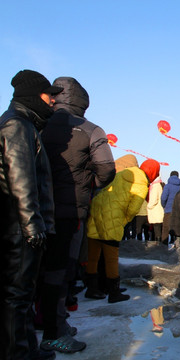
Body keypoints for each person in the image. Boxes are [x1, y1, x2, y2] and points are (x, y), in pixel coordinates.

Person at [40, 76, 116, 353]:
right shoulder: (90, 129)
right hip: (69, 209)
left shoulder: (37, 123)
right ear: (83, 101)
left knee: (37, 270)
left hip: (33, 210)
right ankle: (54, 331)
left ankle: (46, 321)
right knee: (61, 271)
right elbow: (107, 169)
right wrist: (87, 184)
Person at [0, 70, 61, 359]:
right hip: (19, 226)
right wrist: (32, 225)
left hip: (19, 224)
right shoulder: (17, 125)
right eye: (49, 96)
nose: (52, 102)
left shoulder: (22, 124)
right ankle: (17, 353)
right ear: (34, 95)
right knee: (17, 296)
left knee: (23, 295)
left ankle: (26, 348)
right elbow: (20, 178)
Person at [85, 159, 160, 303]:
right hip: (112, 216)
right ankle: (114, 292)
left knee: (93, 254)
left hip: (97, 208)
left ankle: (92, 289)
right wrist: (122, 221)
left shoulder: (125, 173)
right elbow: (133, 209)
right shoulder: (142, 183)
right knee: (111, 257)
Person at [161, 170, 180, 246]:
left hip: (168, 209)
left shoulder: (167, 186)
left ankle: (164, 245)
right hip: (177, 211)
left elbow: (163, 198)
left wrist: (164, 206)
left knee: (166, 228)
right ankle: (176, 244)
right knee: (176, 228)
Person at [147, 175, 165, 243]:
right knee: (158, 229)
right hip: (159, 211)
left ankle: (158, 245)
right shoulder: (159, 185)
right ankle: (159, 243)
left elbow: (153, 200)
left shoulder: (155, 186)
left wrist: (148, 206)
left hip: (155, 211)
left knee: (156, 230)